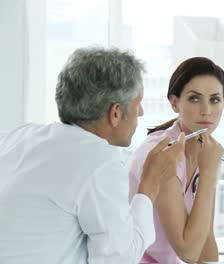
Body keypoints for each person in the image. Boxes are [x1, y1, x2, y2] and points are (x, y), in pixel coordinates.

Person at [0, 47, 185, 264]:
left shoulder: (19, 137)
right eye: (138, 102)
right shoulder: (99, 160)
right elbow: (120, 259)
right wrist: (149, 184)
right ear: (115, 113)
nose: (142, 112)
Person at [128, 57, 224, 263]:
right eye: (194, 98)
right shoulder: (161, 154)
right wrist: (208, 174)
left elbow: (205, 240)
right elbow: (188, 251)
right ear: (174, 103)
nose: (206, 110)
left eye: (215, 99)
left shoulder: (208, 152)